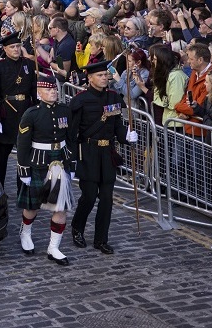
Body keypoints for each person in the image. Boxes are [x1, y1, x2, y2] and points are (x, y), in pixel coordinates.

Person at [69, 60, 136, 255]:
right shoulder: (80, 100)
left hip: (107, 153)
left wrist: (127, 137)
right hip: (88, 153)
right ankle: (77, 228)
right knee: (89, 197)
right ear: (90, 79)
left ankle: (101, 239)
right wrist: (72, 159)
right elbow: (72, 133)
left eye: (106, 75)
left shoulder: (113, 98)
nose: (104, 78)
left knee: (106, 199)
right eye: (99, 75)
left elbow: (117, 125)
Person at [16, 76, 76, 266]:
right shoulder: (31, 114)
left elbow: (71, 137)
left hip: (60, 161)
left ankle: (54, 247)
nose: (53, 92)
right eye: (49, 90)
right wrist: (24, 170)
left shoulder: (65, 110)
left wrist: (72, 164)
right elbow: (23, 144)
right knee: (32, 206)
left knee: (60, 207)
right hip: (38, 163)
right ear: (39, 93)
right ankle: (25, 233)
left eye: (55, 90)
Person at [0, 33, 38, 187]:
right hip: (7, 113)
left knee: (25, 154)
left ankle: (23, 188)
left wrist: (37, 112)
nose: (16, 49)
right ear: (5, 49)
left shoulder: (28, 64)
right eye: (12, 47)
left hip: (26, 112)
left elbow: (34, 91)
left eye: (18, 46)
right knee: (1, 155)